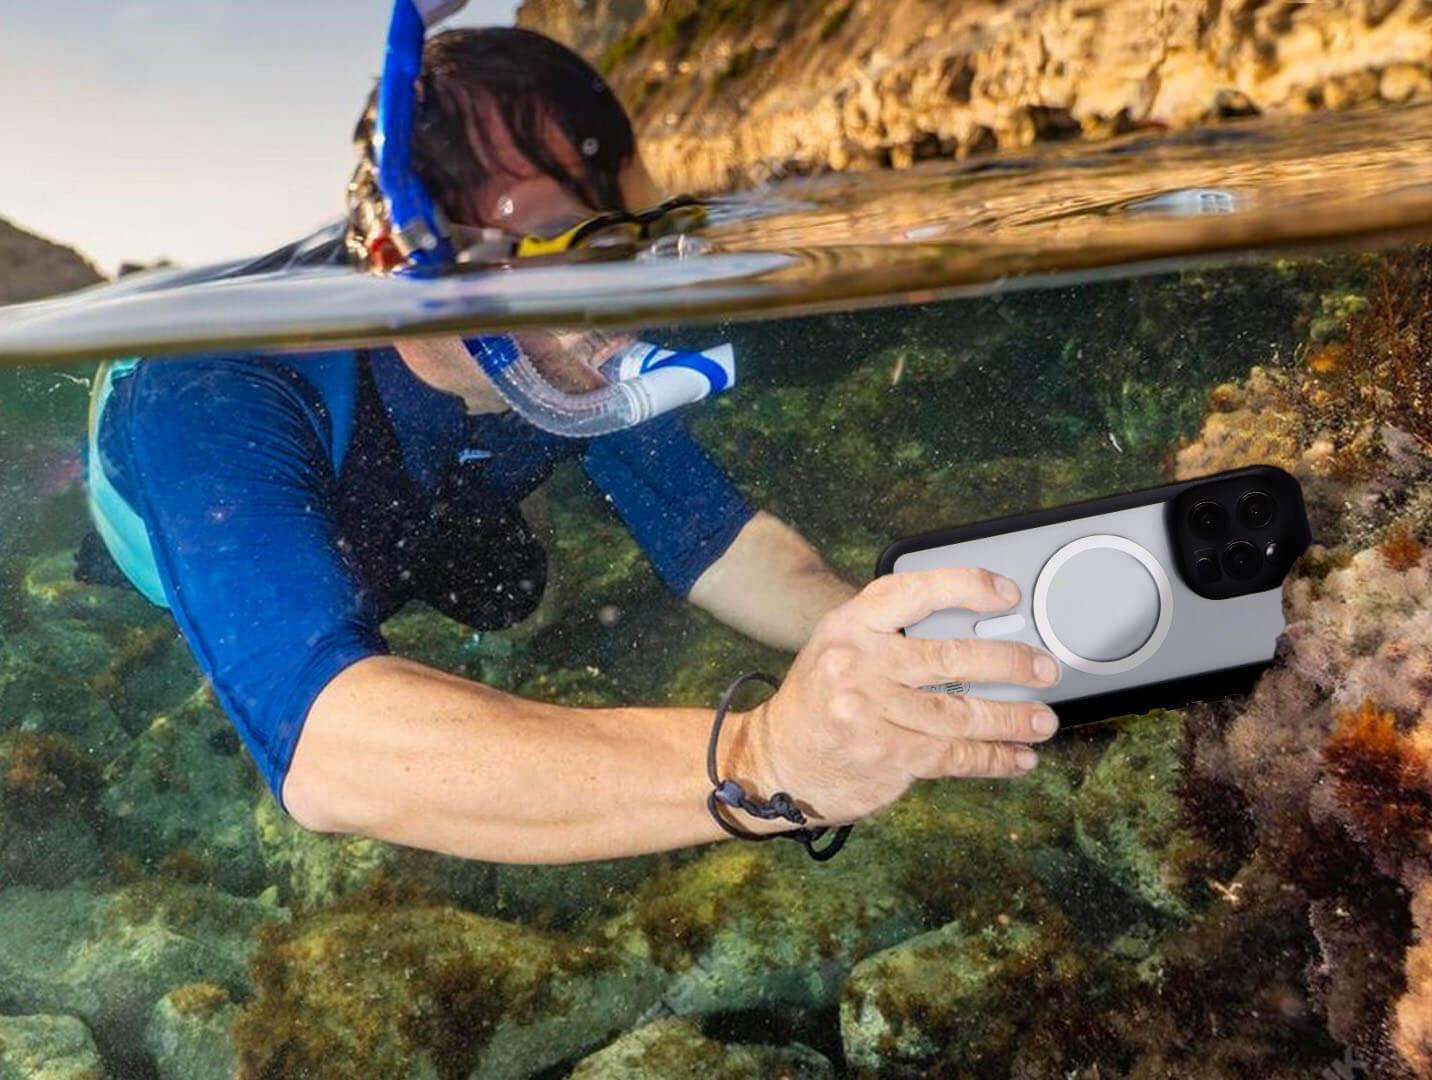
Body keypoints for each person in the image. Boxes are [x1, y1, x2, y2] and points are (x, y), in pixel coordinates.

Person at [83, 25, 1062, 865]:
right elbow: (332, 750)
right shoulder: (212, 388)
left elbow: (715, 539)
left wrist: (903, 659)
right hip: (184, 516)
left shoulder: (565, 358)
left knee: (514, 595)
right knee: (351, 602)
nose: (624, 306)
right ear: (409, 262)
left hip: (429, 475)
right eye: (572, 249)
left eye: (641, 242)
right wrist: (766, 758)